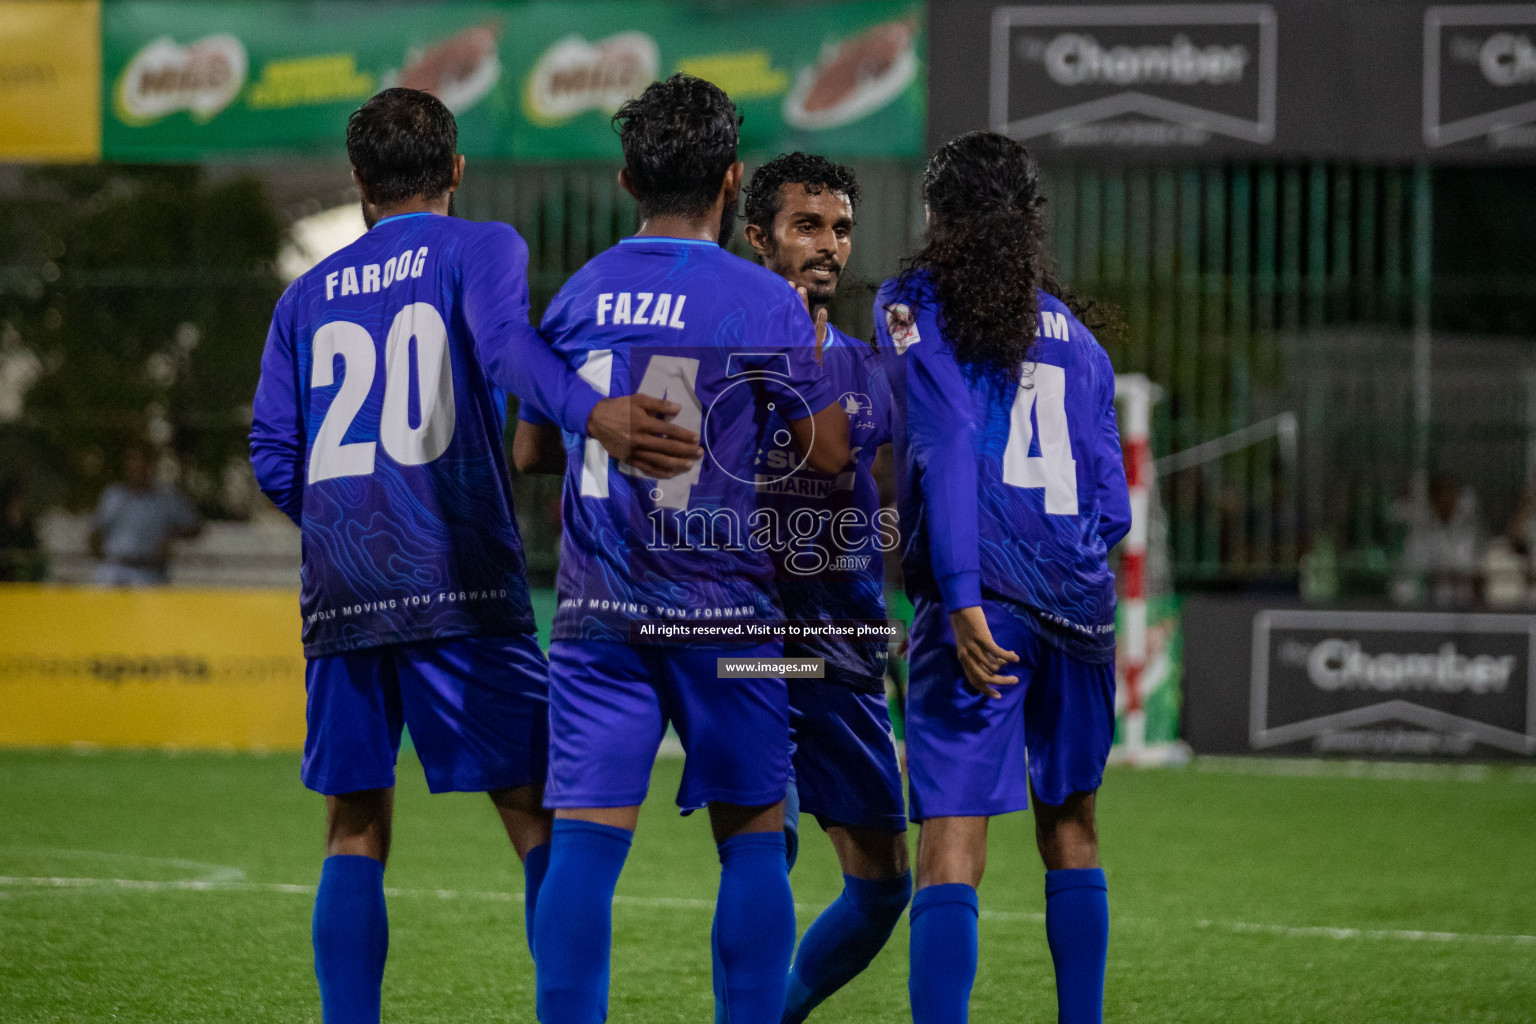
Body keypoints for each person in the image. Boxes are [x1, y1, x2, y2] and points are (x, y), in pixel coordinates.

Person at [248, 87, 701, 1024]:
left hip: (344, 587)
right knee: (536, 810)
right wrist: (593, 415)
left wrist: (345, 520)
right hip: (457, 573)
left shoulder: (303, 298)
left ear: (360, 183)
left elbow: (272, 454)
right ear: (455, 170)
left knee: (354, 823)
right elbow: (504, 353)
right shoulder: (482, 247)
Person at [511, 75, 849, 1024]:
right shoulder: (766, 300)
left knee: (583, 844)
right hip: (731, 619)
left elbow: (532, 448)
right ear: (733, 179)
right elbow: (825, 457)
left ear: (627, 177)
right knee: (752, 840)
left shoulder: (579, 293)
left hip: (598, 617)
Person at [873, 132, 1130, 1024]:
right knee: (1072, 828)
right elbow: (1113, 501)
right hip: (1079, 604)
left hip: (979, 601)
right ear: (1028, 222)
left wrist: (965, 593)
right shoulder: (1083, 340)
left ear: (938, 217)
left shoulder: (910, 304)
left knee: (952, 837)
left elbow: (942, 443)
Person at [741, 152, 910, 1023]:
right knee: (763, 844)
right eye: (807, 225)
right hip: (749, 642)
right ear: (758, 237)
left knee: (883, 887)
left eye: (840, 228)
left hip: (842, 645)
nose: (829, 245)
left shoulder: (869, 364)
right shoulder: (716, 356)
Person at [89, 445, 200, 586]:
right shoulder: (113, 496)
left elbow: (194, 526)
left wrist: (171, 534)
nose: (135, 469)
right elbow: (94, 533)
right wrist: (108, 559)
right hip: (114, 571)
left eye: (140, 464)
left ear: (150, 466)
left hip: (148, 572)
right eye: (131, 464)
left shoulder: (166, 498)